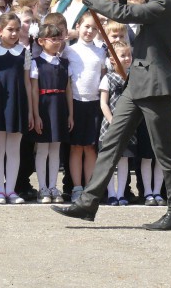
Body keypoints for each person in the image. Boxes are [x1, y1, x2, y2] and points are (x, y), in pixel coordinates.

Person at [53, 0, 171, 231]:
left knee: (164, 151)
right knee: (112, 142)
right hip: (138, 83)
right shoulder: (162, 0)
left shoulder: (169, 1)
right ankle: (88, 202)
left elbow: (124, 13)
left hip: (153, 85)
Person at [0, 12, 36, 205]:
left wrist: (30, 111)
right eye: (10, 29)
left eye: (17, 29)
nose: (14, 33)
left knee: (14, 149)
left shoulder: (24, 52)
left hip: (18, 103)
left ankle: (11, 190)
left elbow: (27, 83)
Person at [63, 12, 105, 203]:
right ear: (78, 27)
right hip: (75, 103)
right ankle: (77, 187)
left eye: (94, 28)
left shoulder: (100, 52)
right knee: (75, 148)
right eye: (86, 26)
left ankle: (90, 187)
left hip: (94, 103)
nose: (89, 31)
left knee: (90, 147)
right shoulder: (69, 51)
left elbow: (103, 75)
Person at [33, 23, 73, 204]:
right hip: (43, 107)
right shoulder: (36, 63)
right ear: (41, 41)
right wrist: (35, 114)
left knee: (55, 149)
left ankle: (53, 186)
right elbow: (34, 91)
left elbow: (68, 89)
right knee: (42, 149)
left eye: (59, 38)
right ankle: (42, 187)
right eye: (53, 39)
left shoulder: (64, 63)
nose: (57, 42)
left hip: (59, 107)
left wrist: (70, 114)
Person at [99, 41, 135, 205]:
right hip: (111, 125)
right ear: (112, 59)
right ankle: (111, 193)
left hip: (128, 125)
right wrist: (113, 121)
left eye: (129, 55)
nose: (127, 58)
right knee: (110, 160)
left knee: (124, 160)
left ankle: (121, 194)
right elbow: (103, 103)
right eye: (123, 55)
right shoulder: (108, 78)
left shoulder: (134, 77)